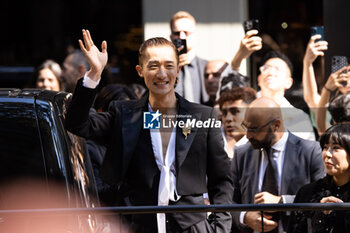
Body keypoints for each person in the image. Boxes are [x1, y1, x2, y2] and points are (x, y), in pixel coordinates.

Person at [65, 29, 233, 233]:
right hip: (143, 225)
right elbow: (77, 124)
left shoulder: (203, 116)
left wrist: (220, 228)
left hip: (193, 227)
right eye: (153, 66)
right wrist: (94, 74)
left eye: (169, 66)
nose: (162, 74)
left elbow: (221, 179)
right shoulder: (124, 114)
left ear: (178, 69)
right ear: (140, 70)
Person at [231, 97, 325, 233]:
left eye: (254, 129)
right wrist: (244, 216)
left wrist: (282, 201)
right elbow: (228, 200)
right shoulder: (242, 154)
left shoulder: (310, 152)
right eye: (246, 127)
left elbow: (320, 198)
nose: (248, 135)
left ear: (276, 125)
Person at [287, 123, 350, 233]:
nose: (327, 154)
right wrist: (319, 216)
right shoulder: (307, 192)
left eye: (336, 148)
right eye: (325, 147)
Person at [170, 11, 209, 104]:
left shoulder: (207, 67)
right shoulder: (163, 71)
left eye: (186, 32)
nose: (182, 37)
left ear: (195, 35)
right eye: (177, 33)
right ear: (171, 37)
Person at [217, 87, 256, 158]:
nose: (228, 118)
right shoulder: (210, 144)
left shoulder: (261, 149)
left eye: (235, 111)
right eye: (224, 113)